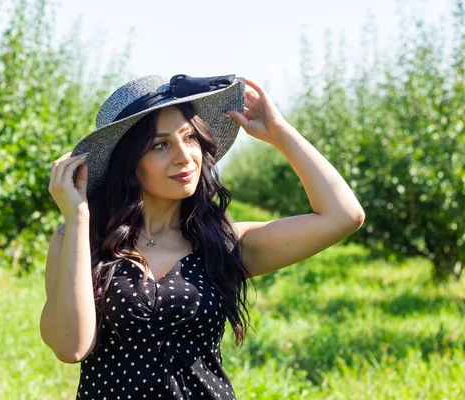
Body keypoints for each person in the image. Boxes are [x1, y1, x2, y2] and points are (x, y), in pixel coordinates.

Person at [40, 74, 365, 399]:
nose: (184, 156)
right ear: (128, 163)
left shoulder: (223, 244)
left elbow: (344, 216)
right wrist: (79, 218)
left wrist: (281, 134)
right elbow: (71, 347)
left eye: (190, 137)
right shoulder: (78, 240)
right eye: (160, 145)